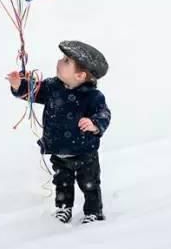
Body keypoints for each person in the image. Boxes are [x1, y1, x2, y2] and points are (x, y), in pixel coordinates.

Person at [7, 41, 111, 224]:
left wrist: (94, 124)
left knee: (90, 184)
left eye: (66, 61)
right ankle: (64, 208)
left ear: (79, 75)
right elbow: (33, 92)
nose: (60, 61)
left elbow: (104, 114)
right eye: (63, 58)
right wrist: (18, 86)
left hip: (84, 151)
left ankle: (93, 211)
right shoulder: (52, 87)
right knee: (62, 182)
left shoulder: (93, 96)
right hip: (58, 148)